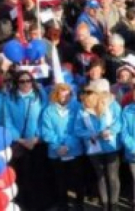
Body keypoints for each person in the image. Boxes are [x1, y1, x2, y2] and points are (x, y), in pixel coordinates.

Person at [74, 79, 122, 211]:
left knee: (112, 176)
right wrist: (91, 134)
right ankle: (105, 204)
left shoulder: (113, 105)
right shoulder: (84, 107)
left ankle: (114, 204)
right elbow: (78, 129)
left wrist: (111, 130)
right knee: (100, 175)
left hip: (111, 145)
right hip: (94, 147)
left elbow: (119, 122)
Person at [4, 70, 49, 210]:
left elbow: (44, 117)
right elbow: (7, 120)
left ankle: (40, 204)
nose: (25, 84)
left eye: (28, 81)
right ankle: (24, 204)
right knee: (22, 175)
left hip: (37, 142)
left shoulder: (40, 95)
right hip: (19, 142)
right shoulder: (10, 98)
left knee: (39, 174)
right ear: (17, 83)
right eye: (22, 81)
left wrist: (37, 137)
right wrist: (20, 139)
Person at [39, 82, 85, 210]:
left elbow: (78, 129)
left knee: (78, 179)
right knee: (60, 180)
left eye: (68, 95)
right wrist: (58, 146)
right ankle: (63, 204)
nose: (65, 97)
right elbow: (46, 132)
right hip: (56, 151)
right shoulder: (48, 110)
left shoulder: (77, 107)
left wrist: (68, 145)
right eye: (62, 94)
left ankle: (79, 203)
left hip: (75, 150)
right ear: (56, 94)